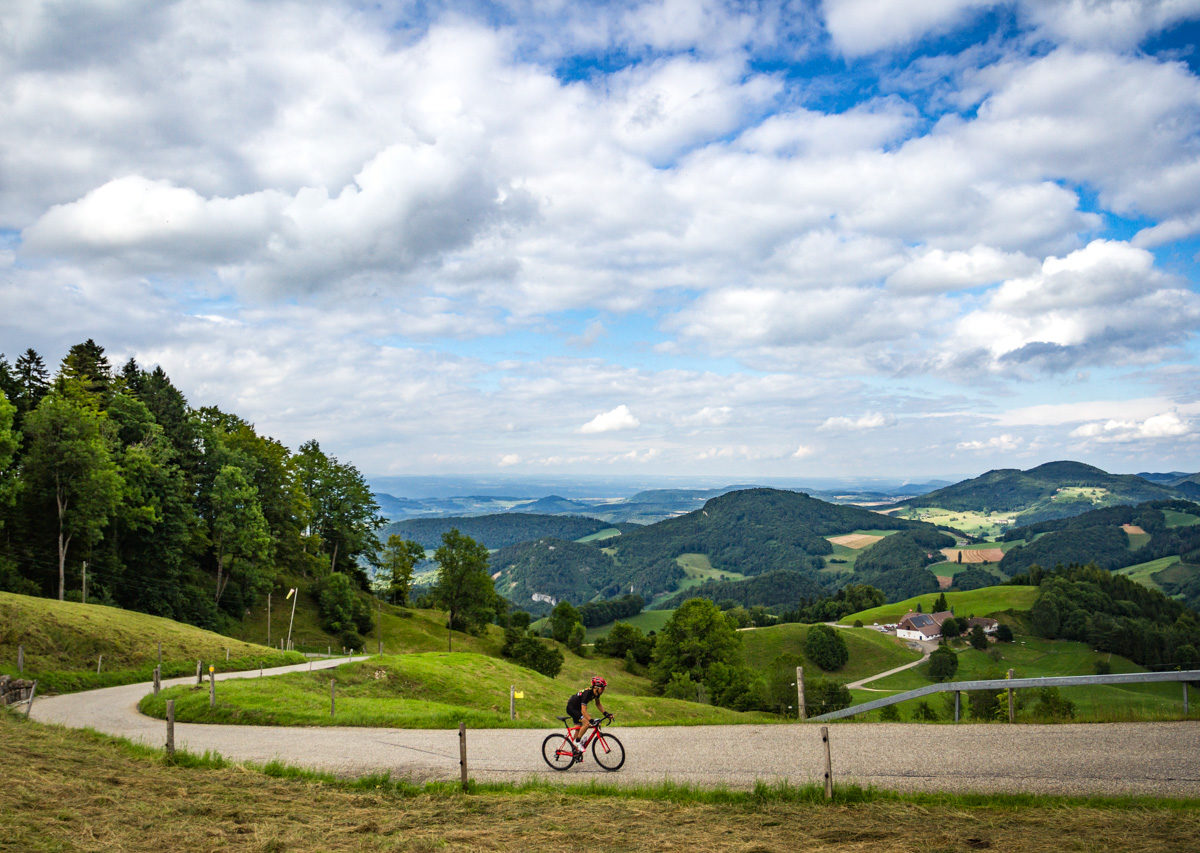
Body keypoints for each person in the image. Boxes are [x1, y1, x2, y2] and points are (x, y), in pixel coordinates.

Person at [565, 676, 610, 757]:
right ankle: (577, 741)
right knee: (586, 723)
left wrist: (606, 713)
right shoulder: (587, 694)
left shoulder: (596, 693)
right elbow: (583, 711)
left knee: (579, 727)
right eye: (602, 688)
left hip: (577, 709)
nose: (603, 690)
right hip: (572, 708)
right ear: (596, 687)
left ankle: (575, 751)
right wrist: (591, 720)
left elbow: (598, 704)